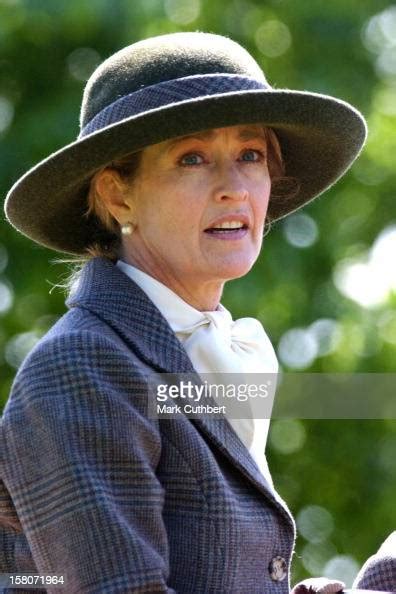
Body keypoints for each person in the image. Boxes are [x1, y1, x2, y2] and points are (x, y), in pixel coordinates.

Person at [0, 32, 366, 593]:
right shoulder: (81, 367)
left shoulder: (197, 351)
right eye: (192, 158)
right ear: (118, 195)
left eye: (251, 155)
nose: (234, 189)